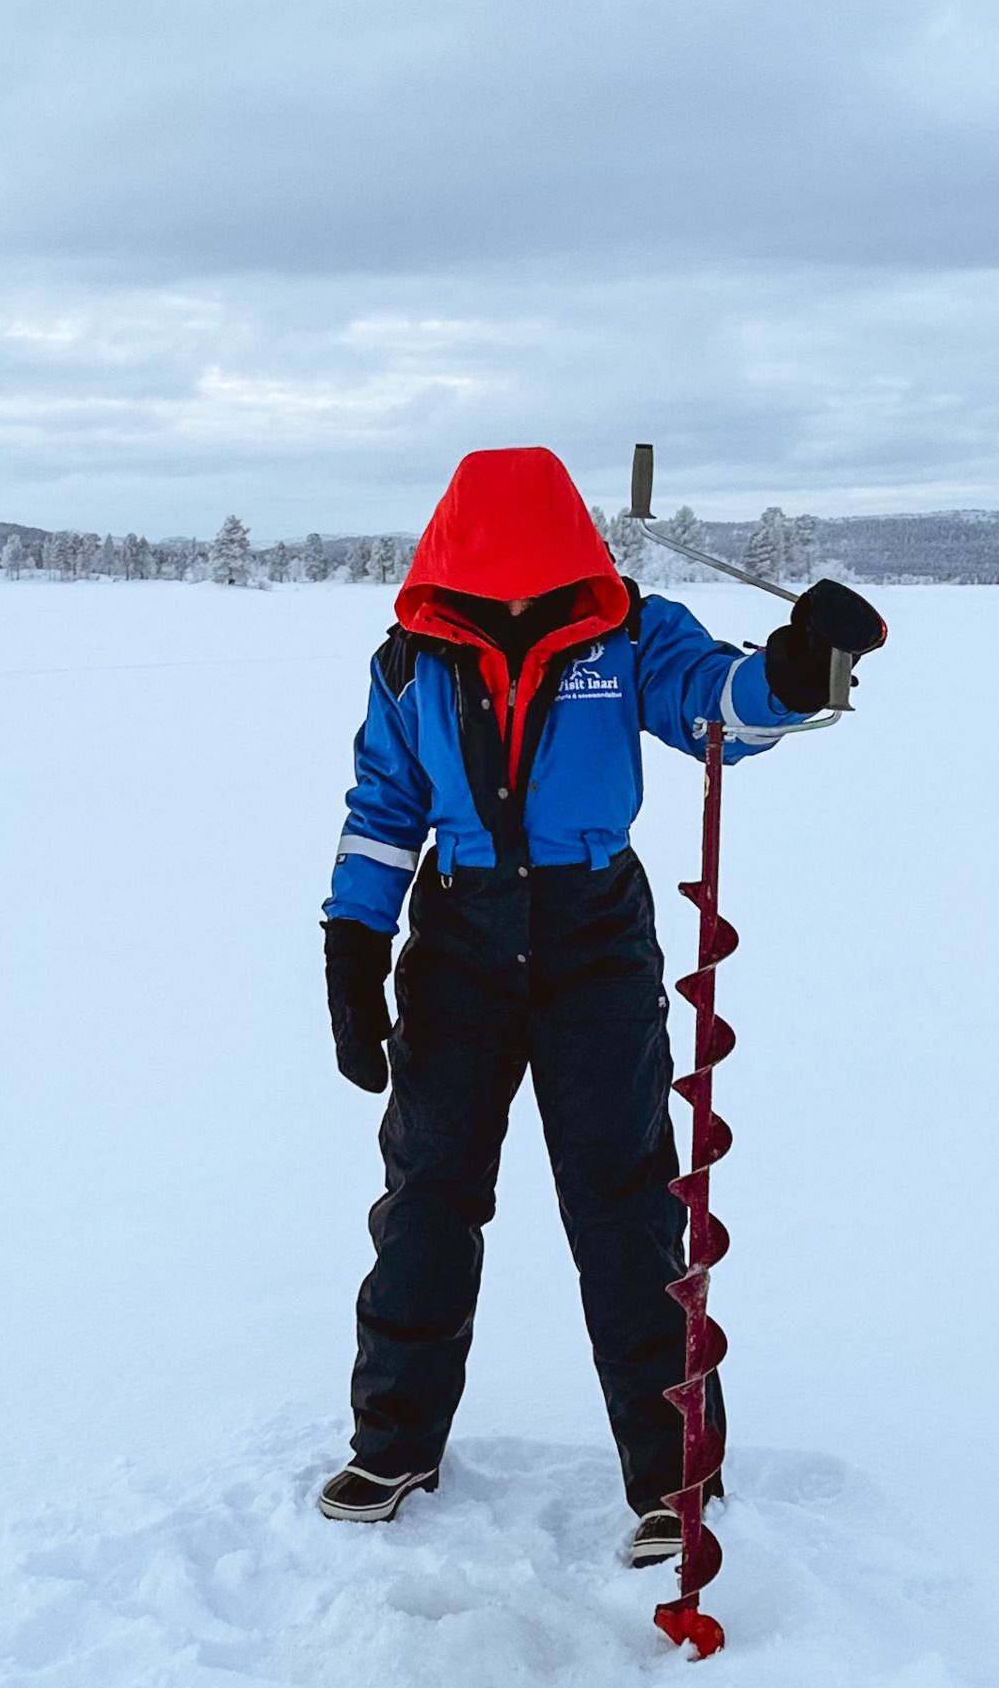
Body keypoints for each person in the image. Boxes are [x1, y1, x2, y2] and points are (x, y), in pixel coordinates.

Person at [318, 446, 883, 1561]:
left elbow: (718, 706)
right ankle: (395, 1442)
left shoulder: (626, 632)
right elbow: (383, 806)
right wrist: (352, 942)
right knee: (427, 1197)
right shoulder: (410, 659)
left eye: (535, 568)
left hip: (592, 938)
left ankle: (669, 1476)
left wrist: (800, 658)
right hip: (460, 938)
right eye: (494, 571)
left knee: (624, 1208)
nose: (516, 591)